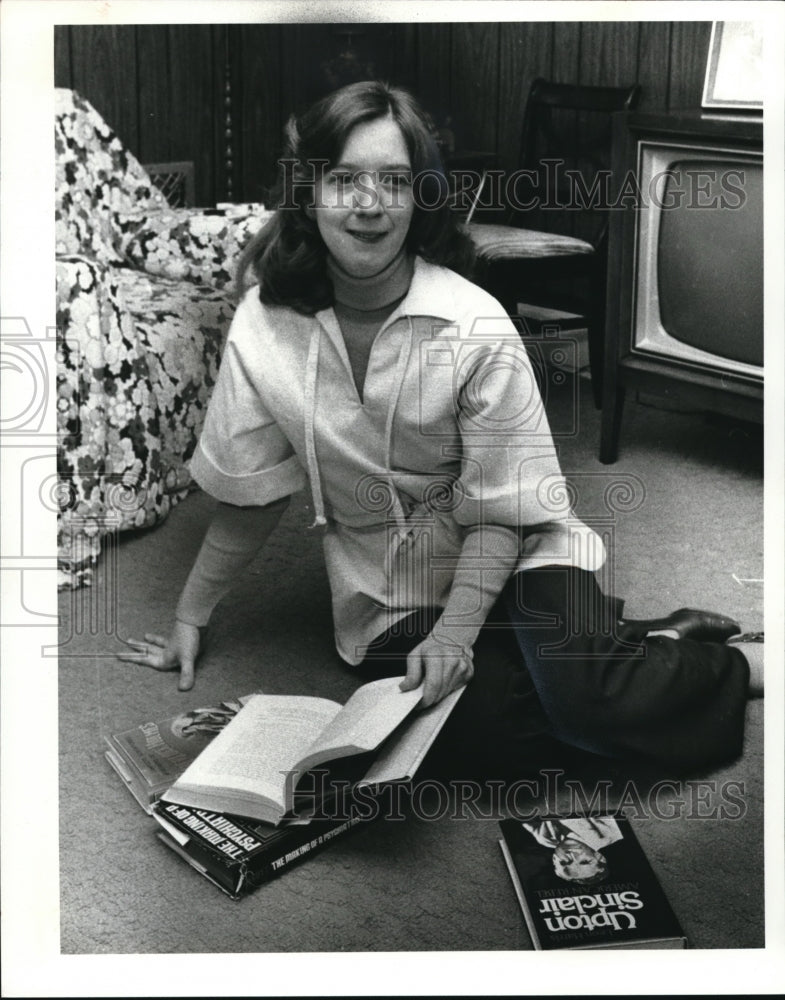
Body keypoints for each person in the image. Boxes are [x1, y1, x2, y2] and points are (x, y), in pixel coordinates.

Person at [117, 80, 763, 778]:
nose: (368, 204)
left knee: (588, 708)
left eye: (392, 181)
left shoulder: (476, 323)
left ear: (419, 195)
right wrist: (192, 616)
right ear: (308, 192)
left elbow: (502, 511)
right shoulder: (261, 325)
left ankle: (724, 661)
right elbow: (253, 492)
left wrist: (457, 631)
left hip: (517, 546)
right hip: (390, 586)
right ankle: (626, 645)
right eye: (344, 179)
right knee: (473, 733)